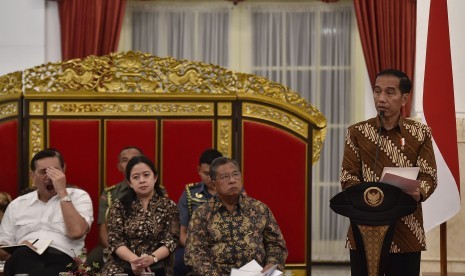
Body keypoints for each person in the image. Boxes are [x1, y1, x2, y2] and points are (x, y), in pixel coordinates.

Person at [340, 69, 437, 275]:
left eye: (389, 92)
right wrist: (366, 195)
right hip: (364, 230)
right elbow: (348, 176)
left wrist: (419, 191)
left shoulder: (420, 133)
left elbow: (429, 175)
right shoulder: (357, 132)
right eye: (377, 91)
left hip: (407, 231)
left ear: (404, 98)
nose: (381, 98)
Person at [185, 157, 287, 275]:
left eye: (235, 174)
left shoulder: (259, 209)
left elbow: (276, 244)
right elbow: (194, 254)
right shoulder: (202, 214)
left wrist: (271, 264)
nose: (232, 180)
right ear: (213, 183)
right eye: (225, 177)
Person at [0, 149, 94, 275]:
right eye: (44, 171)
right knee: (22, 256)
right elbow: (2, 251)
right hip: (22, 257)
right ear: (32, 176)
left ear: (63, 171)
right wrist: (18, 247)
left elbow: (76, 232)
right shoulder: (17, 205)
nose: (50, 176)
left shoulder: (79, 197)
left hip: (63, 258)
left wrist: (62, 192)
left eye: (55, 170)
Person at [100, 156, 180, 276]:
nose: (142, 180)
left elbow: (171, 240)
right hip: (123, 263)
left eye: (146, 175)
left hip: (157, 262)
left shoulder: (169, 206)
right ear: (129, 183)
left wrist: (152, 258)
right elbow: (115, 240)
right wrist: (134, 260)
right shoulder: (119, 206)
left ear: (155, 177)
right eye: (136, 177)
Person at [86, 146, 144, 269]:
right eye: (125, 160)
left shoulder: (157, 190)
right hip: (115, 244)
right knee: (93, 259)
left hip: (146, 244)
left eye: (134, 159)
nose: (130, 163)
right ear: (119, 167)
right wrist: (118, 251)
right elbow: (103, 231)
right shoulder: (109, 194)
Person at [174, 148, 223, 275]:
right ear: (198, 170)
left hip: (227, 246)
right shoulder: (190, 194)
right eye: (206, 174)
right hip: (194, 246)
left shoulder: (234, 192)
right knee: (176, 261)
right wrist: (195, 249)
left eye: (214, 174)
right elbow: (182, 233)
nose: (211, 178)